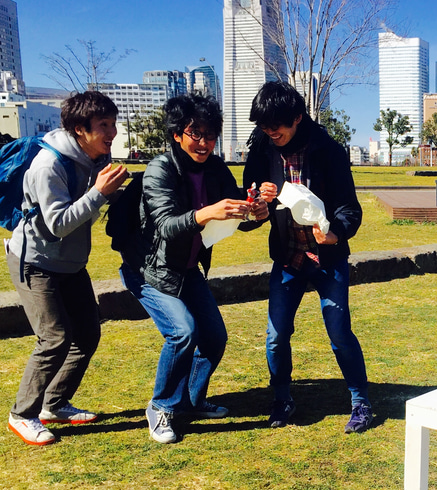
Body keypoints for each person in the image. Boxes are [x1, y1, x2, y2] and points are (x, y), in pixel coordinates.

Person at [119, 94, 268, 444]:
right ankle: (161, 406)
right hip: (150, 270)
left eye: (209, 134)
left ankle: (190, 400)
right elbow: (166, 225)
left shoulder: (215, 168)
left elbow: (233, 214)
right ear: (177, 134)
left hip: (186, 270)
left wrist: (255, 213)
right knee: (183, 332)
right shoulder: (161, 169)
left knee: (214, 337)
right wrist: (206, 212)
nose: (203, 142)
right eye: (194, 133)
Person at [243, 81, 373, 434]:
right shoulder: (261, 150)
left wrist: (335, 233)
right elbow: (248, 208)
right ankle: (282, 399)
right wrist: (257, 208)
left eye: (277, 125)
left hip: (326, 258)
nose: (271, 132)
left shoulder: (327, 150)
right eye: (264, 126)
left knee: (339, 332)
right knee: (276, 334)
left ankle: (360, 401)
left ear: (297, 118)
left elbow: (349, 208)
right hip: (287, 258)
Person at [5, 91, 128, 446]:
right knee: (54, 338)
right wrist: (100, 193)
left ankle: (54, 404)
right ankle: (22, 414)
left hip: (71, 263)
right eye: (104, 125)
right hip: (36, 262)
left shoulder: (94, 159)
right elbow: (57, 223)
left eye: (114, 123)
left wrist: (115, 192)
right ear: (80, 129)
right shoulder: (49, 165)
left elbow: (93, 204)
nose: (113, 132)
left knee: (87, 334)